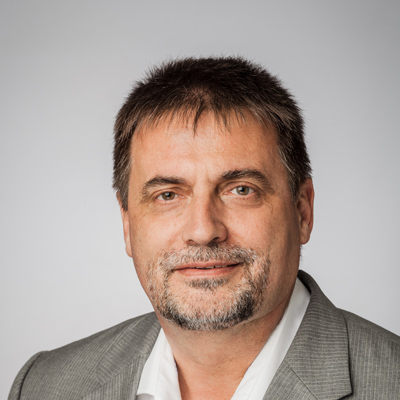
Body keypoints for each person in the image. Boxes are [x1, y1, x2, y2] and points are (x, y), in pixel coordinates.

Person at [9, 57, 400, 400]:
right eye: (167, 195)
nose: (202, 230)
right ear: (127, 224)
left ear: (302, 212)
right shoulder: (44, 386)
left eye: (241, 190)